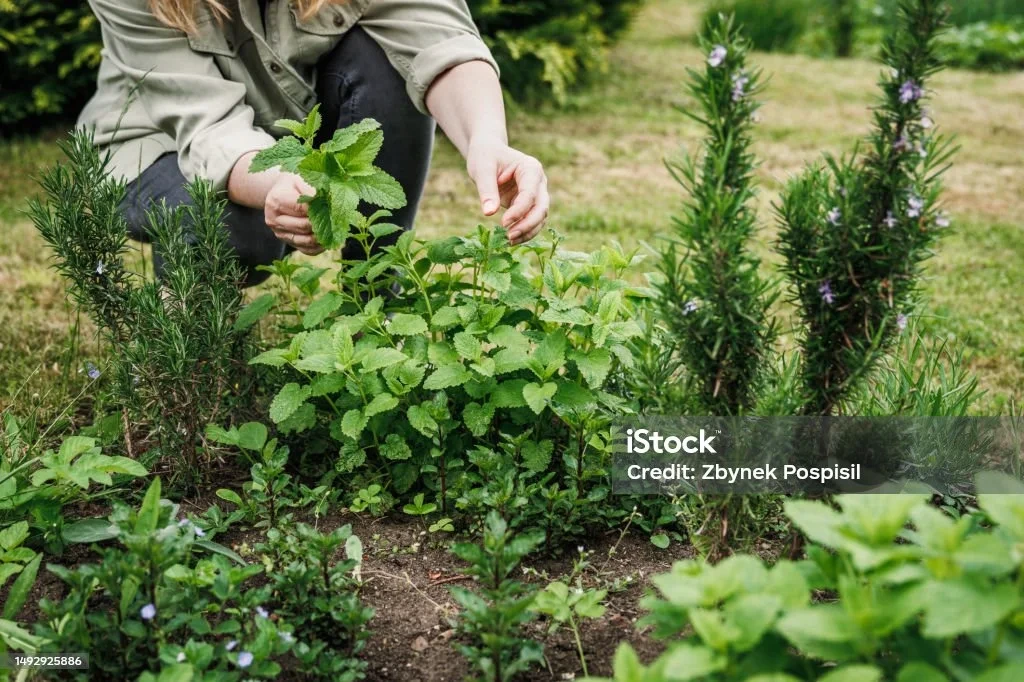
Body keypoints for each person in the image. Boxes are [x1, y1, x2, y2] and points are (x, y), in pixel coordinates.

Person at [79, 0, 550, 285]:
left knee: (390, 63)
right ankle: (184, 340)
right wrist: (280, 185)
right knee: (230, 230)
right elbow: (208, 128)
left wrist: (487, 139)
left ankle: (376, 301)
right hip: (152, 143)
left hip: (283, 128)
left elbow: (436, 34)